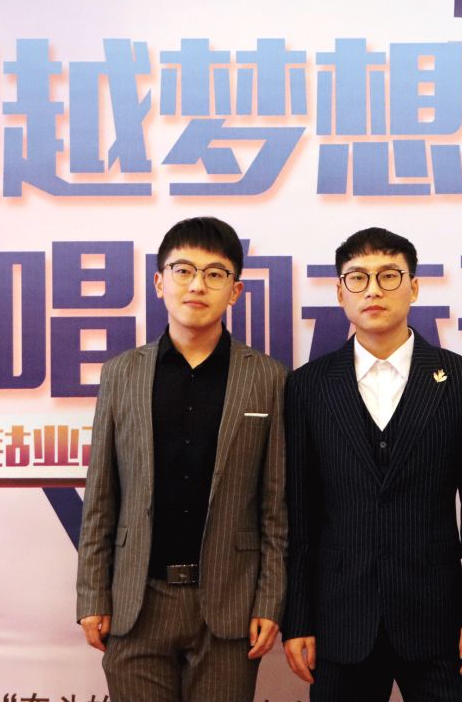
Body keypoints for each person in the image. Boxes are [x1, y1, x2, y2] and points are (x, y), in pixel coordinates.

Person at [281, 227, 462, 702]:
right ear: (340, 292)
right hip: (340, 623)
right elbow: (300, 517)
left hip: (439, 621)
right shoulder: (307, 387)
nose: (373, 290)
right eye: (358, 278)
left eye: (388, 276)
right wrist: (297, 619)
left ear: (414, 287)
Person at [76, 217, 287, 702]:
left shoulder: (267, 378)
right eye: (183, 270)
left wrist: (270, 600)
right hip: (137, 601)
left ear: (235, 291)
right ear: (159, 282)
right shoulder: (121, 373)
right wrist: (92, 593)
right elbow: (101, 494)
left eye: (215, 274)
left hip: (229, 604)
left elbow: (275, 505)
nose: (197, 285)